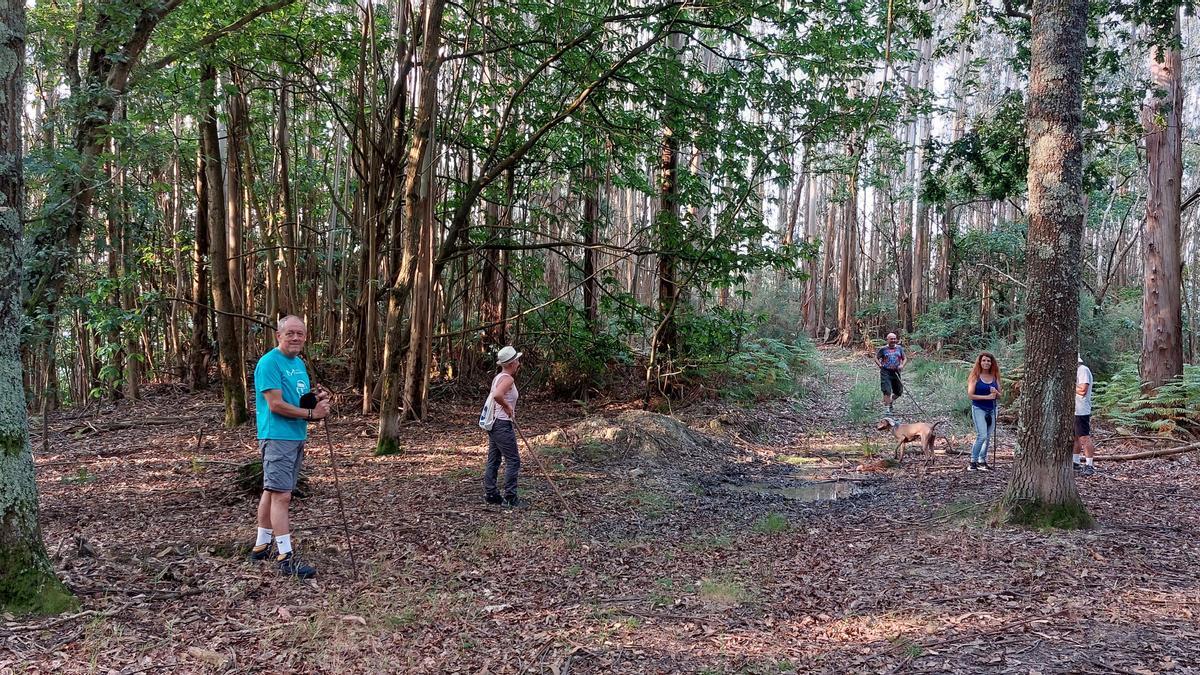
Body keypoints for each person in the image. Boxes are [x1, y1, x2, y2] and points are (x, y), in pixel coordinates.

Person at [248, 315, 330, 578]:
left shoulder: (298, 363)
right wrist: (312, 415)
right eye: (290, 333)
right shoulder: (269, 362)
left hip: (295, 436)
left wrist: (316, 399)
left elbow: (297, 399)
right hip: (277, 435)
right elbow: (276, 404)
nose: (296, 338)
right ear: (278, 335)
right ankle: (285, 556)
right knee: (282, 495)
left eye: (300, 334)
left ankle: (261, 546)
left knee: (271, 491)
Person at [483, 346, 522, 507]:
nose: (519, 363)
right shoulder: (507, 379)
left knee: (494, 459)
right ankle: (510, 497)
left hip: (495, 424)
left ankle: (491, 493)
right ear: (512, 363)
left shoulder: (498, 377)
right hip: (501, 424)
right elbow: (498, 395)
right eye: (517, 360)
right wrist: (507, 406)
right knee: (513, 460)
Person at [966, 352, 1001, 472]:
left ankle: (982, 461)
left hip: (992, 409)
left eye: (989, 361)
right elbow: (970, 395)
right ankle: (973, 461)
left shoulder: (995, 376)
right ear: (980, 362)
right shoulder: (975, 376)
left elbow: (1000, 396)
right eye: (984, 360)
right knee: (982, 435)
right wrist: (987, 397)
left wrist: (995, 392)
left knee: (988, 436)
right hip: (979, 408)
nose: (986, 363)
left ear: (992, 363)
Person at [1074, 354, 1096, 477]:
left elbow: (1083, 390)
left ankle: (1089, 465)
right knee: (1075, 437)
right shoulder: (1076, 371)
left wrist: (1068, 385)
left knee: (1084, 437)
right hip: (1074, 409)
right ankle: (1075, 462)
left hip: (1081, 409)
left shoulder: (1082, 370)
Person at [876, 333, 907, 413]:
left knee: (899, 391)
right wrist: (880, 365)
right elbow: (876, 358)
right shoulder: (883, 349)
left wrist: (902, 365)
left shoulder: (899, 348)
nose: (893, 340)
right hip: (886, 372)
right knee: (887, 390)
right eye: (891, 339)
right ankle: (887, 410)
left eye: (894, 339)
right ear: (887, 340)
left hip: (896, 372)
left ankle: (890, 401)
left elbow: (905, 358)